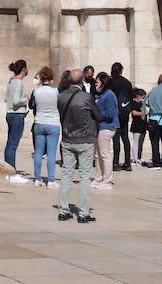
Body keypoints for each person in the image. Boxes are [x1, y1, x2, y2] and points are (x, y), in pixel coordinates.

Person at [56, 65, 101, 222]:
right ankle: (83, 213)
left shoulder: (60, 97)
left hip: (68, 138)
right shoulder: (86, 97)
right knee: (84, 175)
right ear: (82, 81)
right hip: (85, 139)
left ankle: (63, 210)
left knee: (66, 174)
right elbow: (98, 115)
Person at [29, 66, 61, 188]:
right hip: (53, 123)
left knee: (38, 152)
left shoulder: (36, 91)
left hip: (39, 123)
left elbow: (31, 106)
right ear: (51, 80)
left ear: (41, 79)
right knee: (51, 153)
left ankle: (37, 179)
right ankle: (51, 180)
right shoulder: (56, 91)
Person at [92, 72, 119, 189]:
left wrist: (96, 113)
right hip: (100, 127)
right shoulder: (102, 95)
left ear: (103, 83)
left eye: (97, 82)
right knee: (98, 155)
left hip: (107, 127)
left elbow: (110, 113)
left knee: (105, 154)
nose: (96, 84)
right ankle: (98, 177)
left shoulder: (109, 95)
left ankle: (107, 180)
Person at [4, 60, 29, 179]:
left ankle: (7, 170)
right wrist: (26, 99)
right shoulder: (18, 82)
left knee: (9, 144)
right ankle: (12, 172)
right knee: (13, 145)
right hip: (17, 114)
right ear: (24, 69)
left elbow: (6, 99)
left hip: (10, 114)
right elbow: (16, 101)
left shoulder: (11, 81)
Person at [108, 62, 134, 172]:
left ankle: (116, 163)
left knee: (116, 138)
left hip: (115, 113)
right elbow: (131, 98)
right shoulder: (127, 83)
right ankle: (127, 163)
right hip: (125, 113)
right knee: (125, 137)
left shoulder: (111, 82)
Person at [129, 88, 149, 166]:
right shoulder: (134, 103)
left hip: (143, 125)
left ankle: (139, 157)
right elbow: (134, 113)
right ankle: (135, 158)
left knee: (141, 143)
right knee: (136, 142)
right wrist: (144, 113)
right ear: (138, 96)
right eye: (143, 97)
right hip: (136, 125)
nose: (143, 99)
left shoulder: (142, 104)